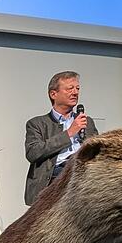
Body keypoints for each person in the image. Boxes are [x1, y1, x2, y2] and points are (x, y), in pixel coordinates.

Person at [24, 71, 99, 204]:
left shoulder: (87, 122)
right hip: (56, 175)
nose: (75, 92)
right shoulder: (37, 123)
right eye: (70, 88)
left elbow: (97, 152)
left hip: (82, 173)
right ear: (54, 94)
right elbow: (33, 153)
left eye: (77, 88)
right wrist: (69, 133)